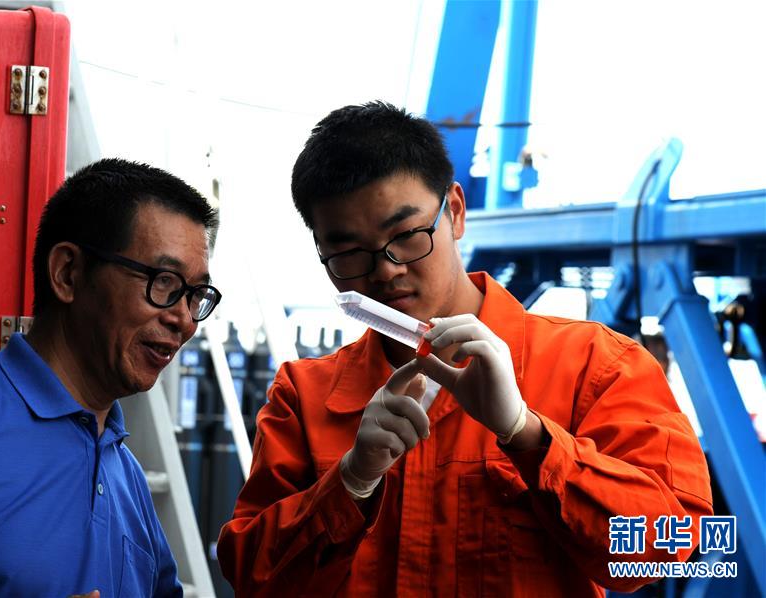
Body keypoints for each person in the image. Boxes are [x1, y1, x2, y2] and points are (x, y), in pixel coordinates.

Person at [217, 102, 713, 596]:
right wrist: (350, 482)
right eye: (348, 252)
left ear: (454, 211)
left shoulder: (595, 365)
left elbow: (673, 540)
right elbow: (252, 578)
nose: (386, 269)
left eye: (406, 235)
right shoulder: (305, 396)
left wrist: (528, 434)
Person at [0, 159, 220, 596]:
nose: (184, 320)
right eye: (164, 283)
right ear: (68, 273)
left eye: (196, 296)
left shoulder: (125, 475)